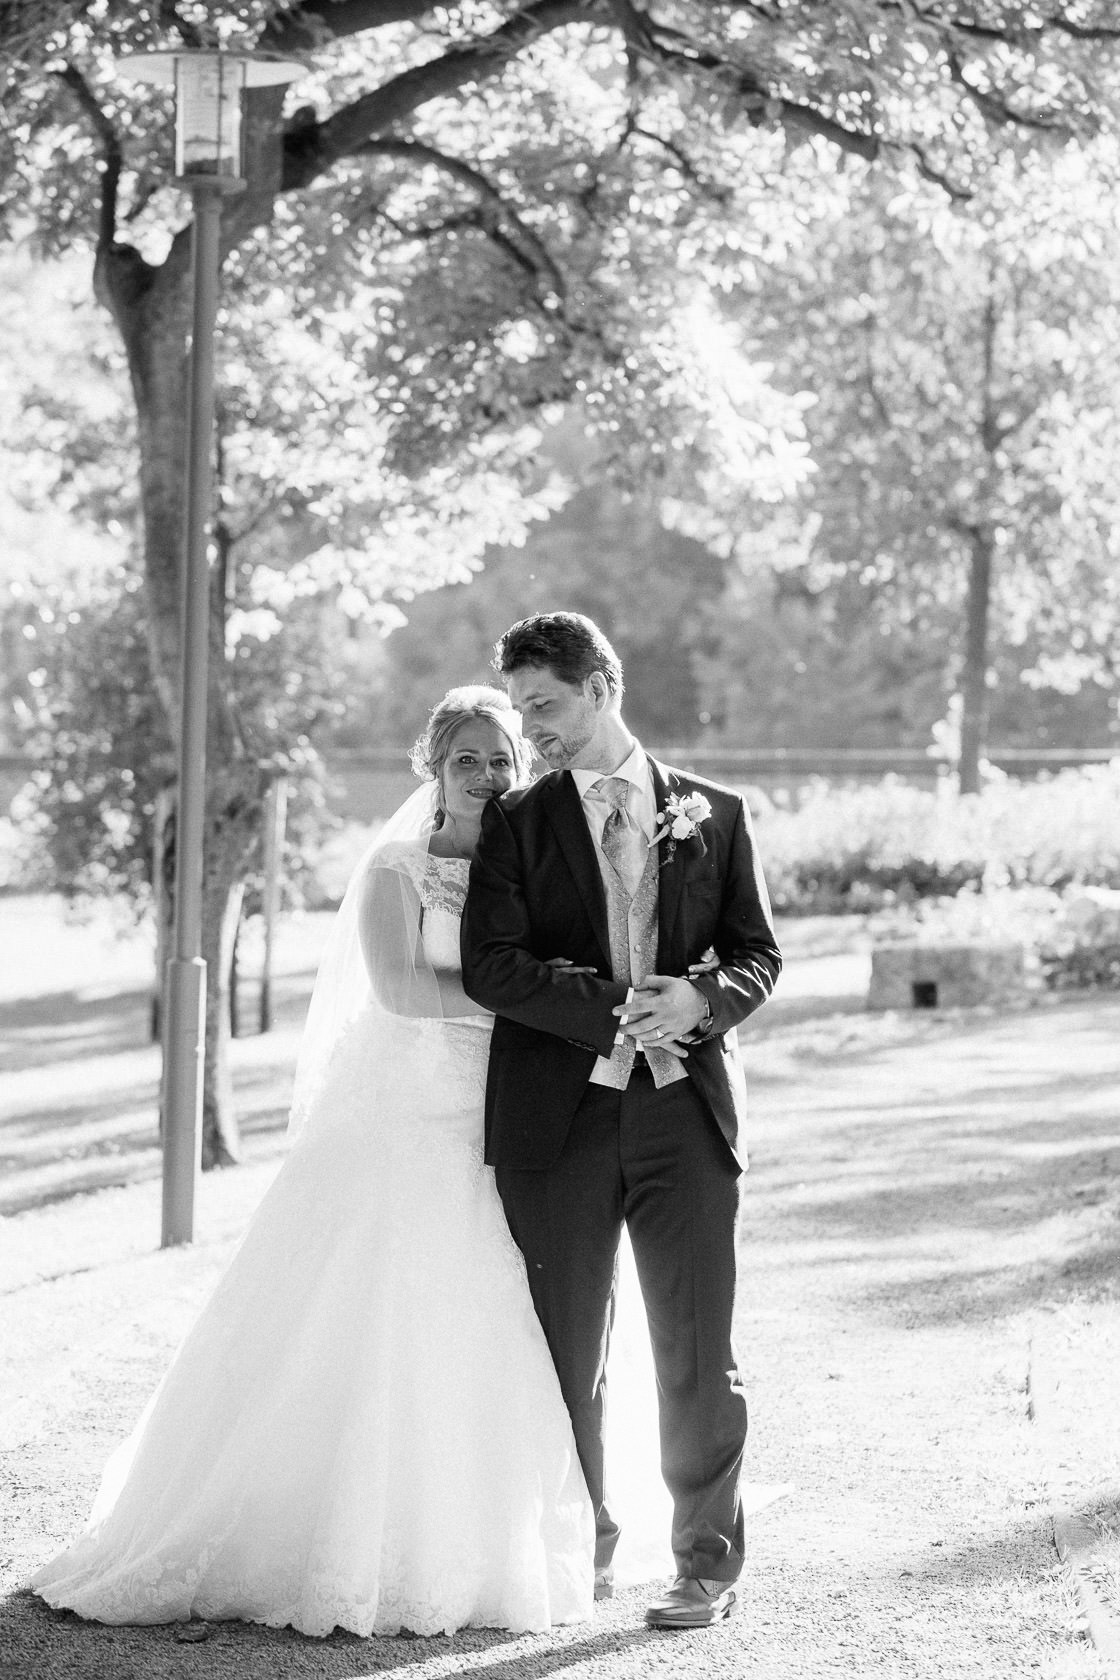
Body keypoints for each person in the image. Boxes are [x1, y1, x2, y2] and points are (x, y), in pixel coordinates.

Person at [30, 686, 594, 1639]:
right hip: (408, 1116)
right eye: (469, 759)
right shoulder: (396, 872)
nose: (490, 776)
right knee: (378, 1304)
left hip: (505, 1116)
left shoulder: (536, 863)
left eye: (503, 759)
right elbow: (408, 995)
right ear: (434, 769)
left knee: (483, 1315)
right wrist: (544, 1008)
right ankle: (319, 1532)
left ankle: (481, 1532)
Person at [460, 613, 781, 1630]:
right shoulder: (514, 822)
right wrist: (613, 1006)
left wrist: (702, 1001)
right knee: (564, 1347)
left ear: (602, 686)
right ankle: (578, 1549)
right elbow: (491, 964)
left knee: (697, 1345)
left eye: (543, 704)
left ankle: (704, 1563)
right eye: (519, 709)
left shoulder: (715, 814)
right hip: (557, 1122)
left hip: (684, 1115)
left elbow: (757, 953)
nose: (531, 728)